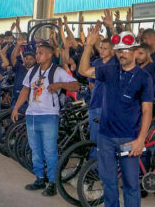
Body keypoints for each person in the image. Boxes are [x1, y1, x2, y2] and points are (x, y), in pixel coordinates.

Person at [79, 25, 154, 207]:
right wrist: (88, 46)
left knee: (130, 185)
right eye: (120, 50)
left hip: (129, 139)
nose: (123, 54)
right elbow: (83, 71)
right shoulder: (109, 70)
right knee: (109, 183)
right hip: (105, 137)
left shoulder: (144, 78)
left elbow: (147, 111)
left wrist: (140, 140)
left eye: (127, 50)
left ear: (135, 52)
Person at [11, 42, 79, 196]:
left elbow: (75, 86)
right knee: (35, 150)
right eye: (37, 52)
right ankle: (40, 178)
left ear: (50, 55)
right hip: (32, 116)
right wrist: (16, 108)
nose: (37, 55)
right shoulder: (33, 71)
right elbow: (25, 90)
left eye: (41, 53)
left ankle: (53, 183)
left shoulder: (57, 71)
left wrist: (60, 84)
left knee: (50, 151)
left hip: (49, 116)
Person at [79, 38, 116, 155]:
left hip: (110, 108)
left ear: (113, 51)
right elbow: (91, 83)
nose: (102, 51)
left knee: (108, 141)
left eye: (105, 48)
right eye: (101, 47)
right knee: (94, 140)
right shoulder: (96, 63)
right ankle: (93, 169)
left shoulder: (117, 63)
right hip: (95, 104)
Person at [10, 35, 36, 111]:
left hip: (31, 102)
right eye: (26, 58)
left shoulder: (37, 70)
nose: (28, 60)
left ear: (35, 60)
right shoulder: (19, 67)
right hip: (17, 100)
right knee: (14, 121)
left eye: (31, 59)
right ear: (23, 59)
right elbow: (12, 58)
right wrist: (18, 45)